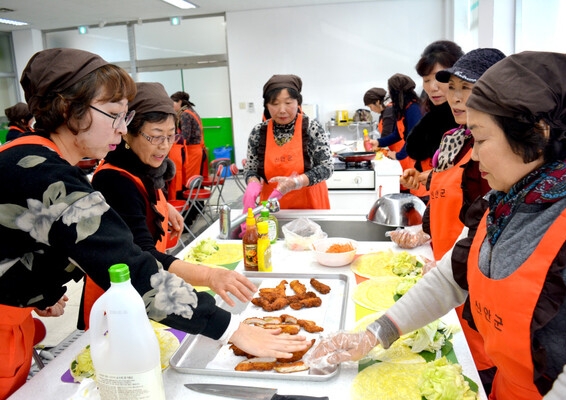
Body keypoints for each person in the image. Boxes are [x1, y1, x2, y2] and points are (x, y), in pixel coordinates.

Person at [0, 48, 310, 399]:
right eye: (115, 115)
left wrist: (39, 287)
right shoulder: (44, 174)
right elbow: (127, 264)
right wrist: (230, 327)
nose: (121, 128)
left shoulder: (26, 155)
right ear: (69, 110)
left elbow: (26, 242)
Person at [307, 51, 566, 400]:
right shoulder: (501, 204)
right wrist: (375, 334)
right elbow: (449, 277)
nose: (473, 155)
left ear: (536, 133)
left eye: (482, 139)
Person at [85, 82, 257, 330]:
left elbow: (143, 197)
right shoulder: (113, 180)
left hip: (147, 289)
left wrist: (165, 208)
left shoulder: (143, 166)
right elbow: (143, 255)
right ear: (127, 133)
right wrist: (208, 276)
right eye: (155, 136)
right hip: (120, 300)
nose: (165, 146)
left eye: (170, 136)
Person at [394, 48, 506, 394]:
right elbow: (451, 192)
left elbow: (489, 226)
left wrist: (449, 265)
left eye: (466, 89)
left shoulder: (498, 151)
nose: (455, 99)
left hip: (472, 287)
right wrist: (424, 226)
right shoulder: (452, 139)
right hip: (445, 278)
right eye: (451, 88)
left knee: (474, 373)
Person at [243, 74, 333, 210]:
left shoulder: (311, 128)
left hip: (310, 207)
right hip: (271, 207)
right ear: (267, 106)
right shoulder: (258, 132)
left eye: (288, 103)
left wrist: (296, 182)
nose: (282, 110)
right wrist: (252, 182)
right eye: (275, 104)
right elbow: (251, 169)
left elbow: (327, 167)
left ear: (298, 102)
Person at [401, 40, 464, 200]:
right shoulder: (431, 116)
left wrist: (435, 176)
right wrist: (417, 176)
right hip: (431, 199)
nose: (432, 87)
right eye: (427, 80)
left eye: (439, 78)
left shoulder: (467, 122)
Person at [367, 74, 423, 165]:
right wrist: (378, 142)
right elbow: (397, 134)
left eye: (390, 91)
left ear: (396, 92)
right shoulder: (403, 109)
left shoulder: (414, 109)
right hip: (405, 155)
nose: (389, 94)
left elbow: (414, 139)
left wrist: (398, 155)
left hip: (413, 158)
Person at [168, 91, 208, 200]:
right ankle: (196, 208)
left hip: (192, 152)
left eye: (173, 103)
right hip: (197, 150)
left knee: (190, 182)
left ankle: (190, 211)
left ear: (180, 102)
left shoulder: (185, 114)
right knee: (195, 180)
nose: (172, 106)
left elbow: (184, 136)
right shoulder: (191, 111)